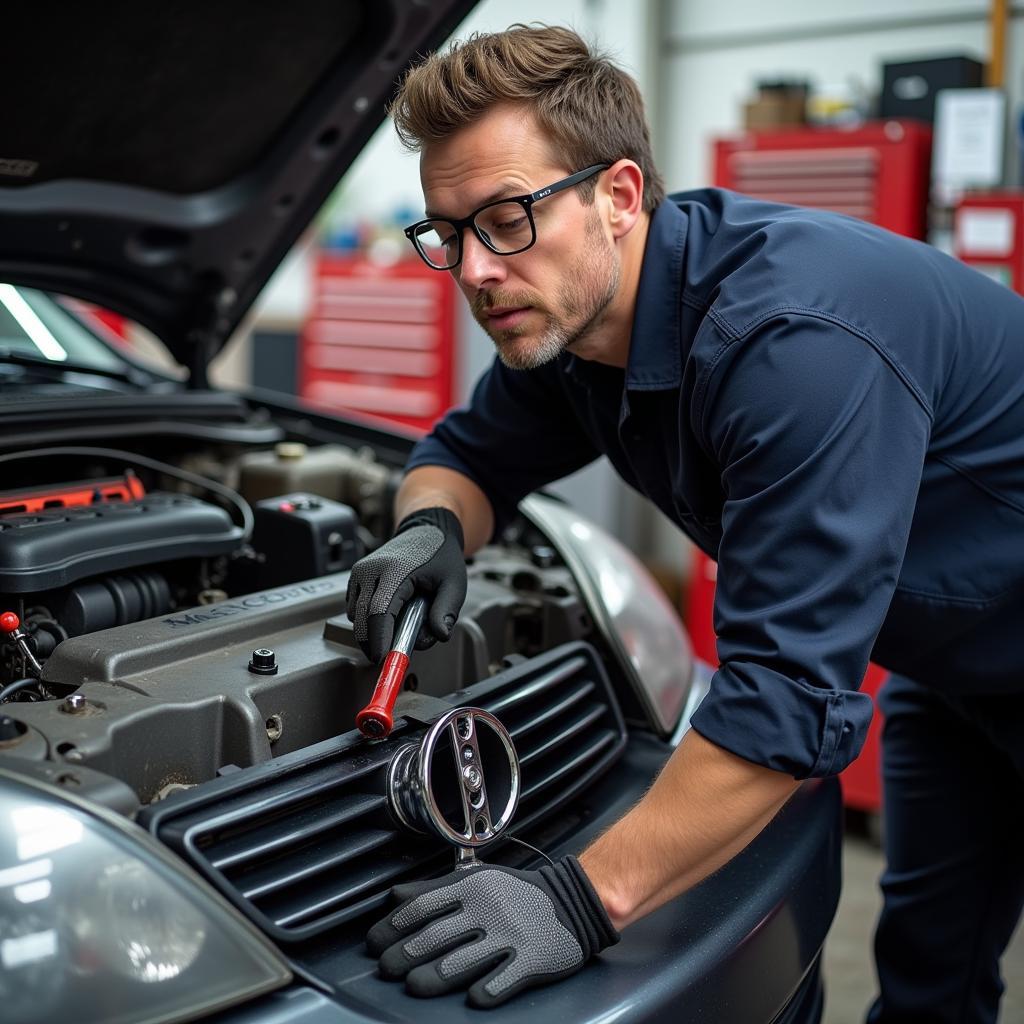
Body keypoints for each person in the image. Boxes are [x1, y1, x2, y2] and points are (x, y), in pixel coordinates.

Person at [345, 23, 1024, 1021]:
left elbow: (778, 708)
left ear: (618, 195)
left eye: (502, 219)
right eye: (446, 233)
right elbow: (465, 455)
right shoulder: (572, 324)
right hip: (950, 661)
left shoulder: (790, 346)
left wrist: (574, 900)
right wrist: (431, 528)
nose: (472, 271)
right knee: (931, 972)